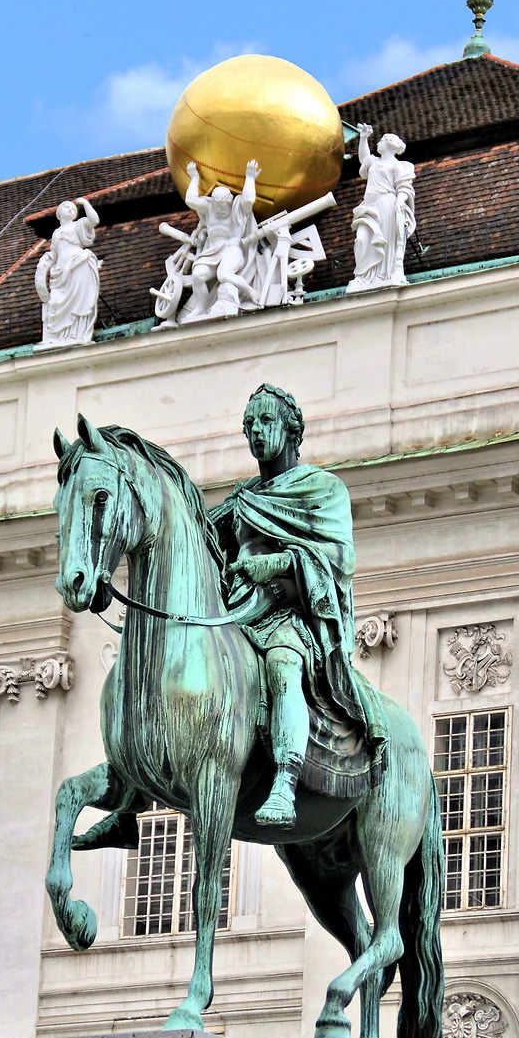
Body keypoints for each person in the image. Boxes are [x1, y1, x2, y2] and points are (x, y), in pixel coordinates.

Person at [209, 384, 385, 827]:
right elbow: (204, 542)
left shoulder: (323, 489)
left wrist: (278, 563)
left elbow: (339, 560)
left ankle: (285, 783)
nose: (255, 432)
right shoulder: (243, 497)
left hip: (290, 612)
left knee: (283, 665)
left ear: (291, 430)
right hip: (237, 611)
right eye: (249, 425)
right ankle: (133, 787)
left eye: (266, 422)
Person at [183, 159, 262, 320]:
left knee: (224, 275)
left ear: (229, 202)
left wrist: (250, 177)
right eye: (217, 206)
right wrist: (194, 178)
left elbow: (248, 200)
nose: (220, 210)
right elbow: (190, 201)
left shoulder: (237, 209)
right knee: (198, 275)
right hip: (212, 251)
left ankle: (250, 290)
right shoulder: (209, 206)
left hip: (232, 248)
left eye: (223, 206)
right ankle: (201, 308)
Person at [347, 125, 416, 293]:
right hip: (369, 205)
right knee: (362, 239)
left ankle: (384, 274)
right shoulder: (373, 162)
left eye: (381, 140)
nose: (378, 142)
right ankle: (364, 277)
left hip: (387, 204)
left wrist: (400, 201)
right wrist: (364, 138)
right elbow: (364, 158)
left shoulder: (396, 165)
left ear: (389, 144)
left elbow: (404, 187)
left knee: (386, 239)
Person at [35, 198, 102, 347]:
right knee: (56, 301)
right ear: (59, 214)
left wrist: (85, 204)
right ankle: (55, 337)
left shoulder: (78, 224)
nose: (71, 209)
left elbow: (94, 220)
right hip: (60, 270)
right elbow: (54, 252)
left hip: (78, 264)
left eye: (73, 208)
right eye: (67, 207)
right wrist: (44, 263)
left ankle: (75, 334)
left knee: (79, 299)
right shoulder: (56, 232)